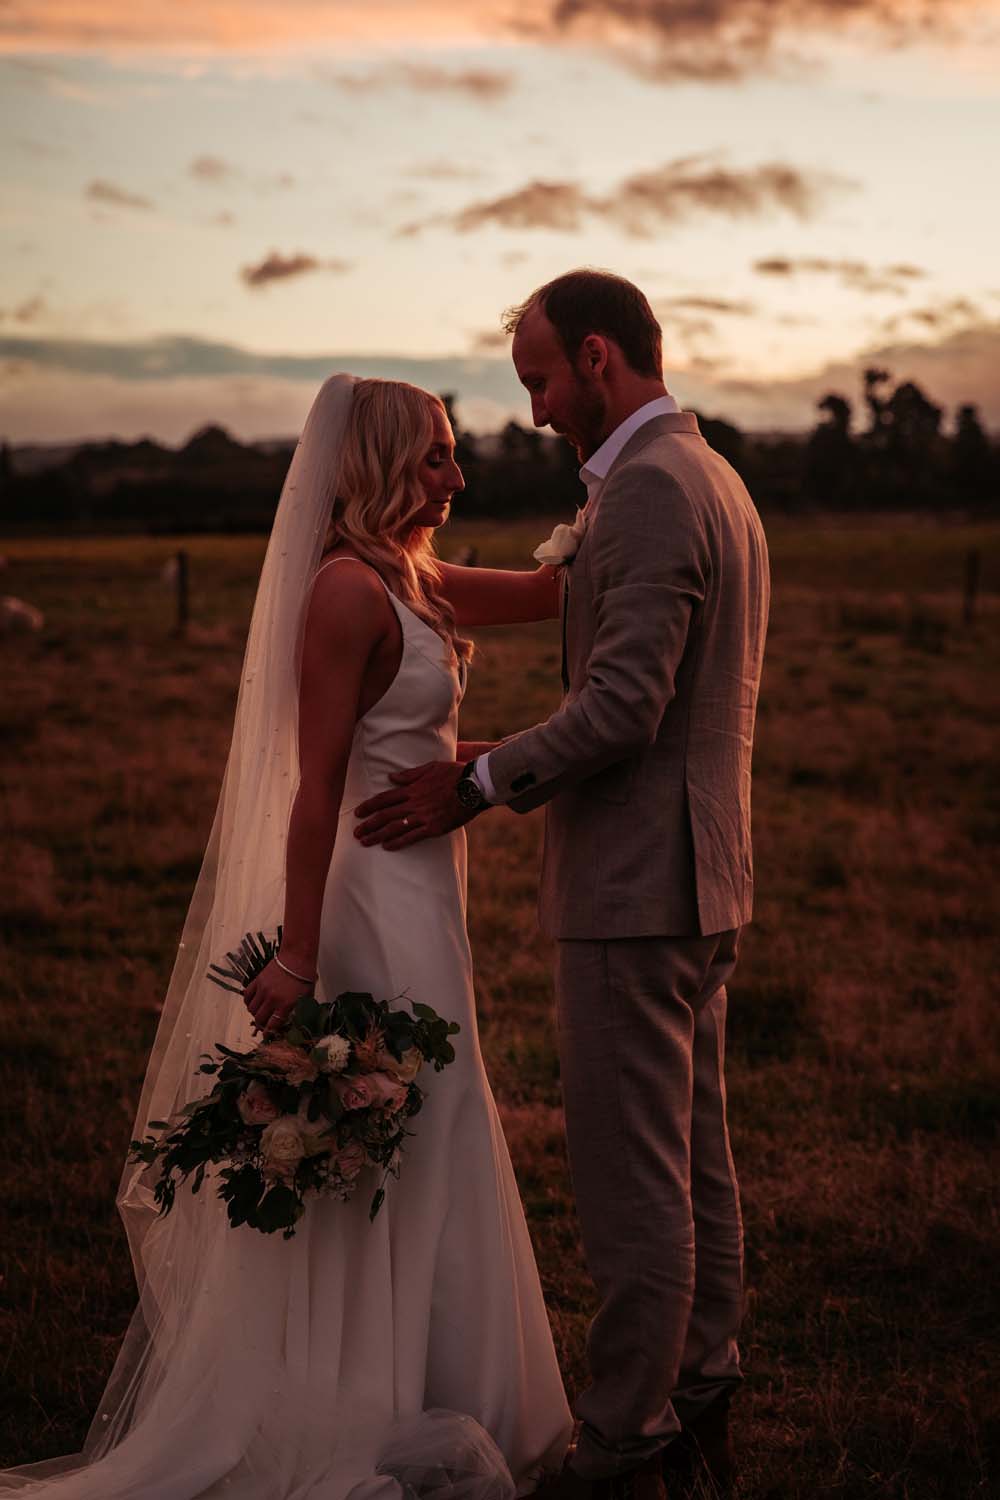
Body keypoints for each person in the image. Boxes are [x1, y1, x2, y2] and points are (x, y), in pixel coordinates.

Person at [0, 376, 572, 1499]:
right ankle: (354, 1398)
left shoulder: (413, 575)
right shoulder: (347, 593)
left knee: (443, 1116)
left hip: (427, 894)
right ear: (375, 466)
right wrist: (300, 957)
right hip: (366, 898)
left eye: (454, 458)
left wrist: (625, 517)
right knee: (394, 1120)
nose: (457, 478)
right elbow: (314, 790)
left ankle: (442, 1381)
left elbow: (551, 596)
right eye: (435, 460)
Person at [355, 271, 771, 1500]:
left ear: (598, 357)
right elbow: (659, 704)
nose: (534, 410)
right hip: (701, 878)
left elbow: (625, 709)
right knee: (697, 1164)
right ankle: (703, 1401)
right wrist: (473, 757)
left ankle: (624, 1445)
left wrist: (472, 790)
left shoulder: (646, 489)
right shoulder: (713, 476)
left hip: (636, 892)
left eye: (540, 379)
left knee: (635, 1185)